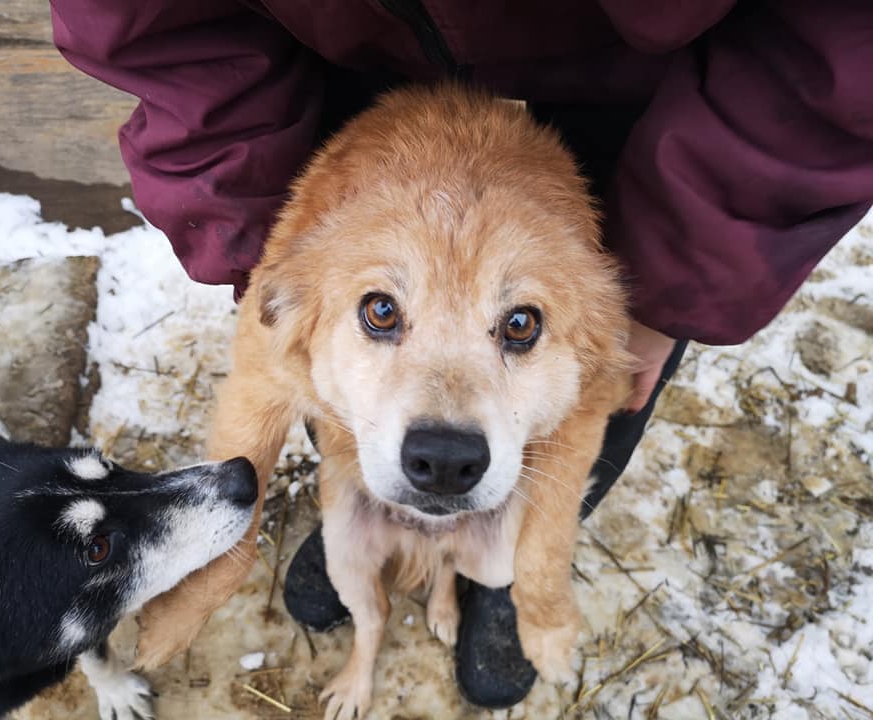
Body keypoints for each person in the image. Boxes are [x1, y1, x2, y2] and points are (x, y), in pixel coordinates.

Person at [51, 1, 873, 709]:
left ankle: (513, 585)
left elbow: (841, 42)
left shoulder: (586, 315)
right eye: (382, 312)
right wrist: (218, 567)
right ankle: (375, 506)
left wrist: (666, 292)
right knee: (353, 413)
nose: (445, 405)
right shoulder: (301, 286)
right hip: (340, 49)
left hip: (650, 87)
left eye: (518, 327)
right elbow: (260, 388)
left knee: (579, 414)